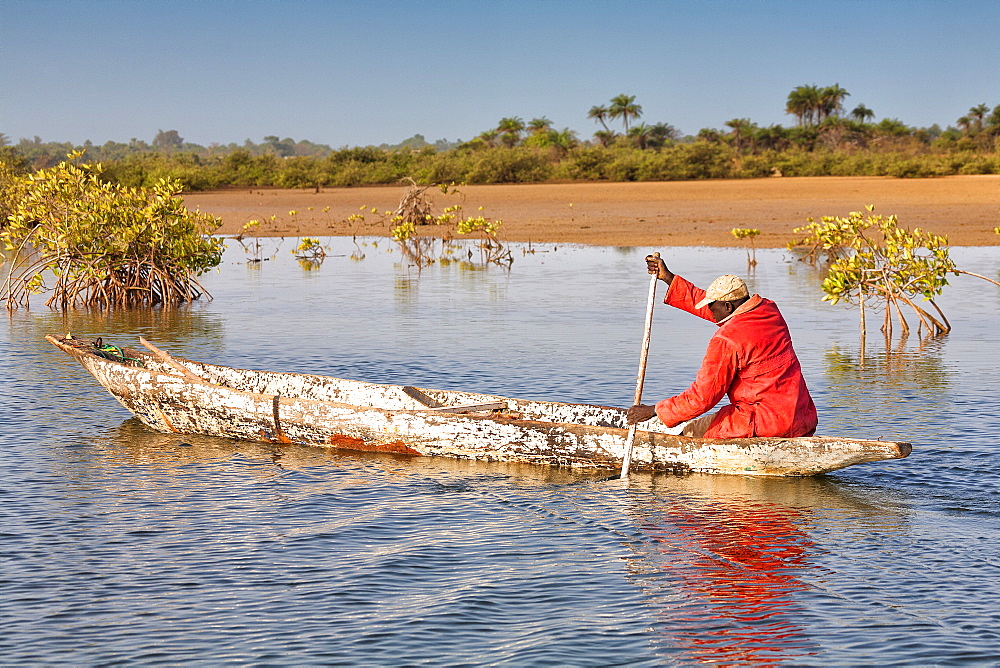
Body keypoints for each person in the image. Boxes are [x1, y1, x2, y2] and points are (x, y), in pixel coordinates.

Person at [626, 254, 817, 439]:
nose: (709, 311)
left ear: (728, 307)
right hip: (801, 417)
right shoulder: (768, 311)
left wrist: (654, 410)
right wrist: (668, 279)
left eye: (712, 306)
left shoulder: (726, 340)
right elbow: (723, 312)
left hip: (762, 422)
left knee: (691, 433)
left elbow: (702, 397)